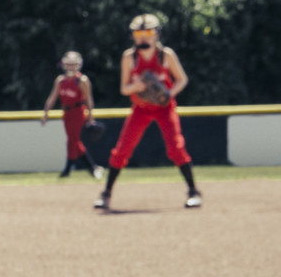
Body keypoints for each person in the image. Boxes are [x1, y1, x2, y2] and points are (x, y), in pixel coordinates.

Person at [97, 14, 199, 212]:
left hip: (164, 108)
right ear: (133, 36)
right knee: (122, 150)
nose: (143, 38)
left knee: (176, 148)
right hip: (140, 108)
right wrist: (136, 85)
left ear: (156, 35)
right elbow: (124, 89)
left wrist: (169, 93)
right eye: (139, 33)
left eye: (148, 33)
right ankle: (106, 194)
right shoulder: (129, 57)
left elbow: (182, 79)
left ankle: (193, 192)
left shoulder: (165, 55)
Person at [42, 51, 102, 180]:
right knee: (74, 142)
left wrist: (91, 118)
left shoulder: (81, 80)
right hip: (66, 113)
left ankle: (67, 170)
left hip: (78, 112)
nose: (70, 67)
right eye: (68, 64)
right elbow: (52, 97)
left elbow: (88, 100)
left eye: (73, 64)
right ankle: (93, 168)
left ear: (78, 65)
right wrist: (46, 113)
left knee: (72, 141)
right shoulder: (60, 80)